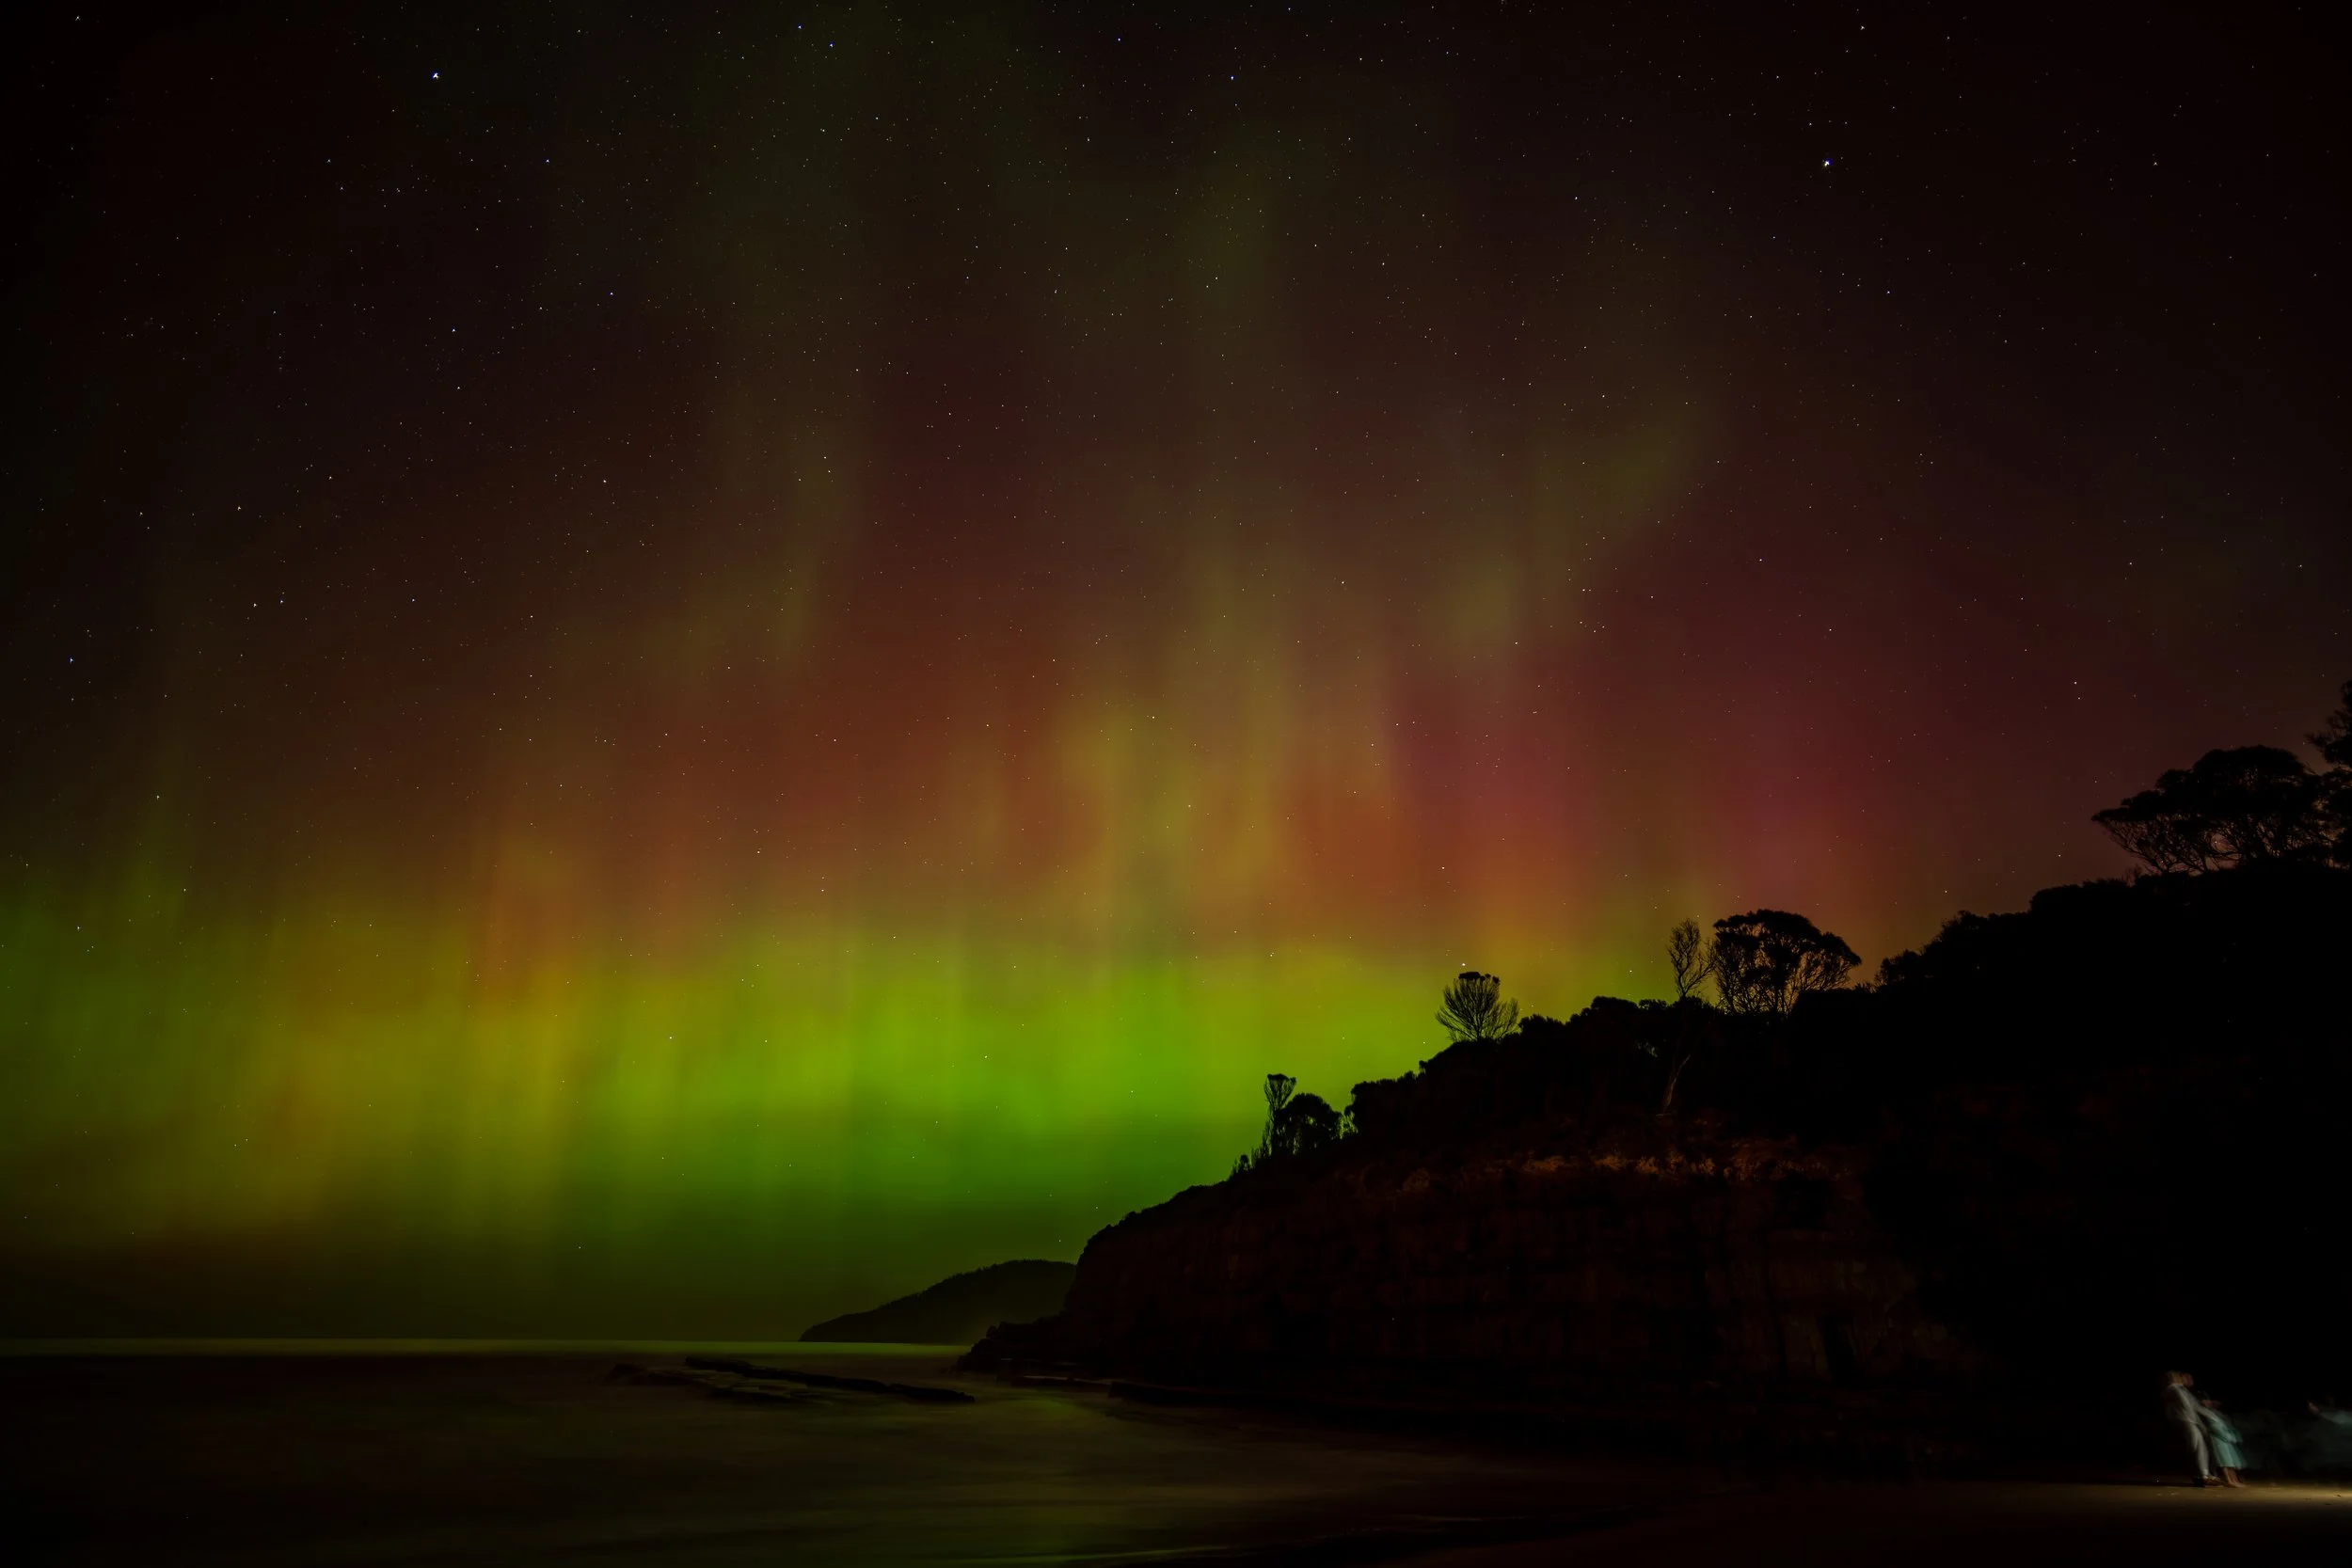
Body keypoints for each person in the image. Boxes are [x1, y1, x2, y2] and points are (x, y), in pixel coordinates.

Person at [2164, 1371, 2214, 1484]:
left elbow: (2195, 1407)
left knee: (2200, 1446)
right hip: (2184, 1420)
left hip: (2190, 1421)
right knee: (2194, 1446)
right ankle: (2198, 1474)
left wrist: (2212, 1417)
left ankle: (2204, 1474)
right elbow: (2185, 1406)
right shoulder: (2173, 1389)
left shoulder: (2182, 1390)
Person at [2199, 1394, 2248, 1487]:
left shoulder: (2215, 1413)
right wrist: (2228, 1436)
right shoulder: (2206, 1412)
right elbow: (2214, 1426)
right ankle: (2230, 1481)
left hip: (2224, 1438)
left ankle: (2234, 1480)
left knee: (2230, 1461)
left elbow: (2224, 1424)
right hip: (2218, 1439)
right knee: (2224, 1461)